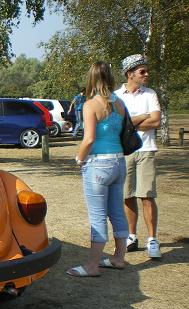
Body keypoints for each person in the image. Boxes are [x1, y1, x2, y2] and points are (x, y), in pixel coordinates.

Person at [67, 61, 129, 277]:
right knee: (117, 212)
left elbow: (89, 139)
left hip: (98, 164)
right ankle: (119, 257)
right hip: (119, 162)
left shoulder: (90, 104)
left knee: (97, 215)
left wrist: (79, 159)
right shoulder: (120, 103)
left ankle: (92, 265)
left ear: (91, 79)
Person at [115, 54, 162, 259]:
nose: (146, 74)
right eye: (142, 71)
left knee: (147, 195)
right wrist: (144, 116)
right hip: (125, 151)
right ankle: (131, 236)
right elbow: (118, 124)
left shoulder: (150, 94)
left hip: (146, 149)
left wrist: (131, 121)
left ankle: (152, 240)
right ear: (130, 74)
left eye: (146, 70)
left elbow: (156, 122)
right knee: (127, 195)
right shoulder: (116, 96)